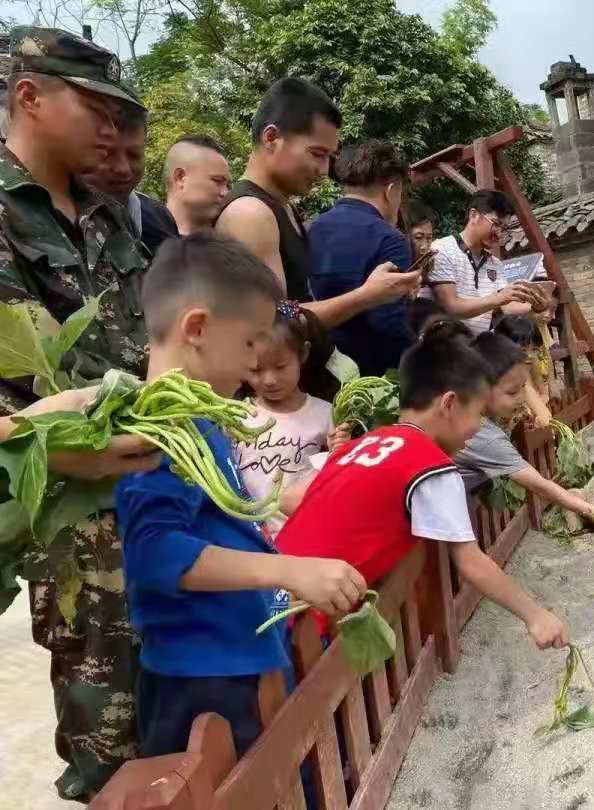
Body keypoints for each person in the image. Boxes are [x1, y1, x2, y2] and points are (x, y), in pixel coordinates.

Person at [114, 233, 366, 760]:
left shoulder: (203, 417)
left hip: (235, 656)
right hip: (203, 676)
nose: (257, 364)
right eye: (251, 342)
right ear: (198, 329)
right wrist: (287, 572)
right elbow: (154, 551)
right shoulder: (160, 425)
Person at [0, 26, 161, 801]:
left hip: (153, 482)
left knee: (180, 690)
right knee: (112, 723)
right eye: (94, 106)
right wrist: (42, 442)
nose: (111, 128)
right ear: (28, 97)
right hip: (72, 520)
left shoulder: (106, 215)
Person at [275, 320, 570, 649]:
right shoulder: (432, 465)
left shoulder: (370, 440)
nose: (477, 427)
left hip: (274, 581)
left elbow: (289, 499)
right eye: (477, 413)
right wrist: (535, 615)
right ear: (449, 404)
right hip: (303, 612)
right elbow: (471, 562)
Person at [216, 78, 418, 328]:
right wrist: (366, 295)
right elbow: (275, 318)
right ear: (271, 138)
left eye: (329, 157)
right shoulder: (249, 213)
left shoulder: (283, 207)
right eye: (317, 154)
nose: (324, 170)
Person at [455, 327, 594, 529]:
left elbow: (524, 386)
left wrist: (538, 408)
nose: (522, 398)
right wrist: (591, 510)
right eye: (513, 392)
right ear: (479, 388)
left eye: (523, 387)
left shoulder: (466, 410)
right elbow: (540, 486)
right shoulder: (484, 437)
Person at [235, 301, 350, 539]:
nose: (269, 380)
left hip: (303, 536)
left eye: (280, 367)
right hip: (249, 539)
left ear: (303, 354)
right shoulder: (236, 415)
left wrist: (340, 451)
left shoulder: (325, 413)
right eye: (256, 370)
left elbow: (337, 479)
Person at [307, 140, 415, 375]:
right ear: (391, 190)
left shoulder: (312, 228)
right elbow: (390, 323)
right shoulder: (389, 238)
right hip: (371, 379)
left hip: (316, 368)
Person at [423, 190, 548, 334]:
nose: (499, 234)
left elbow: (505, 306)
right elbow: (452, 306)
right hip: (445, 349)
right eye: (495, 224)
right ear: (474, 215)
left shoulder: (494, 263)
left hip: (479, 348)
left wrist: (535, 305)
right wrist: (499, 298)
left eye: (504, 228)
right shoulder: (442, 250)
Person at [138, 135, 234, 254]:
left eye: (227, 185)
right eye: (217, 181)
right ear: (180, 178)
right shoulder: (139, 238)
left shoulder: (230, 246)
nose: (225, 192)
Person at [79, 102, 147, 238]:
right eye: (106, 155)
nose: (123, 169)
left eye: (134, 155)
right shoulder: (53, 223)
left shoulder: (159, 220)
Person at [492, 315, 553, 429]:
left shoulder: (519, 376)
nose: (530, 356)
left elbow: (544, 416)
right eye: (523, 350)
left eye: (534, 350)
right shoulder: (494, 376)